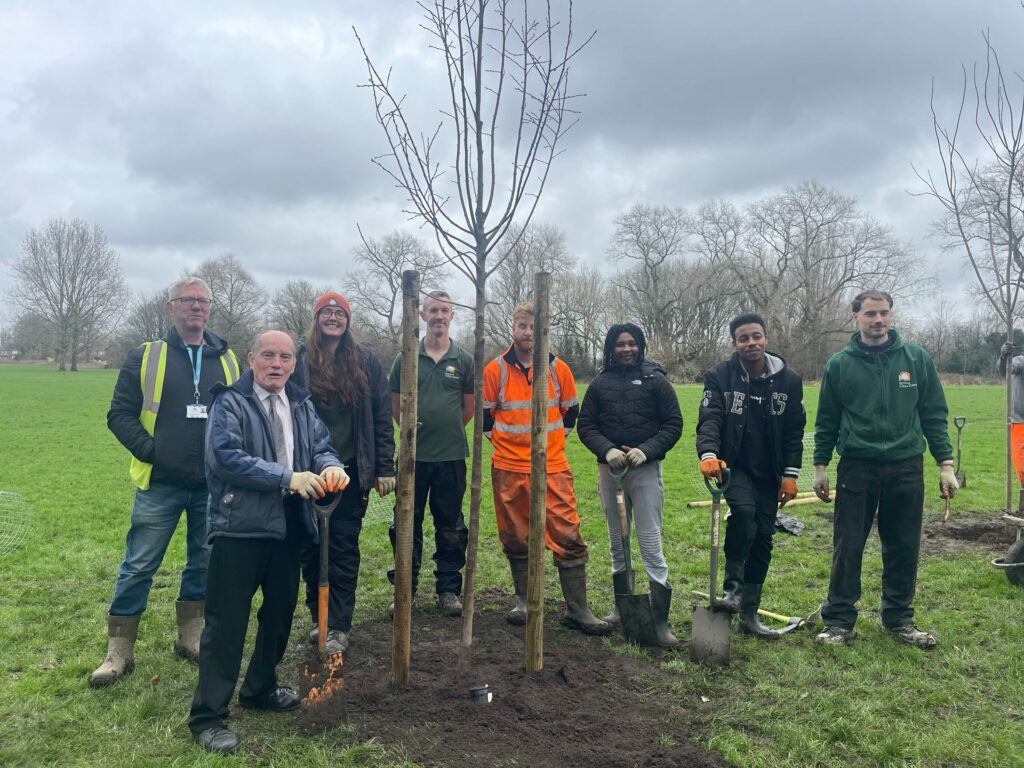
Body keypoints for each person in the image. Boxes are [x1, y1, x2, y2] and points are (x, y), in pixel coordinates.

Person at [187, 330, 346, 754]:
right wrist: (287, 478)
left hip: (289, 528)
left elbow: (322, 447)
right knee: (227, 624)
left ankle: (259, 687)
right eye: (268, 356)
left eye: (285, 357)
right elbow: (226, 457)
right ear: (251, 359)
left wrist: (331, 468)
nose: (277, 364)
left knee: (278, 615)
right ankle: (208, 715)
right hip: (240, 527)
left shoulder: (301, 404)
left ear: (294, 363)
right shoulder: (230, 402)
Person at [91, 277, 240, 687]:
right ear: (169, 306)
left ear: (210, 309)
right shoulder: (146, 356)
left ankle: (190, 636)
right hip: (160, 483)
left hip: (210, 485)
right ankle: (119, 650)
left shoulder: (227, 359)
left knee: (204, 560)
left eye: (202, 301)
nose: (196, 307)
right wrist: (153, 451)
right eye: (187, 300)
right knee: (139, 564)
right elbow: (118, 414)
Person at [812, 290, 958, 648]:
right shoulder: (839, 365)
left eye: (884, 313)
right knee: (848, 546)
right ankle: (839, 621)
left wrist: (946, 464)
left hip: (905, 467)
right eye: (871, 314)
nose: (878, 320)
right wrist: (820, 466)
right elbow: (827, 420)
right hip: (856, 468)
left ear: (891, 316)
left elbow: (934, 414)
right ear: (855, 317)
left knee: (904, 545)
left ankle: (898, 620)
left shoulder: (916, 359)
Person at [483, 301, 611, 635]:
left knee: (568, 532)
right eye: (523, 326)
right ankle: (525, 603)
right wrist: (511, 448)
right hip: (509, 468)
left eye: (536, 328)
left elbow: (570, 413)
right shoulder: (495, 370)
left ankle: (578, 610)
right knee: (516, 536)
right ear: (514, 328)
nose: (529, 334)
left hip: (552, 466)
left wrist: (549, 446)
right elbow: (486, 418)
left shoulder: (559, 370)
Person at [294, 292, 396, 654]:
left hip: (350, 471)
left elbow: (383, 416)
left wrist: (385, 467)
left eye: (340, 313)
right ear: (316, 318)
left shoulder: (365, 360)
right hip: (307, 472)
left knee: (341, 547)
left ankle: (338, 625)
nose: (333, 317)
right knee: (310, 547)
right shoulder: (301, 360)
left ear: (348, 320)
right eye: (327, 312)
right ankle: (318, 617)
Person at [696, 313, 806, 639]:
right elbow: (710, 418)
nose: (751, 343)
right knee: (744, 514)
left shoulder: (789, 380)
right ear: (735, 344)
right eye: (743, 338)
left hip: (770, 472)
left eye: (756, 336)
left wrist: (790, 475)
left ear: (765, 339)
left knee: (764, 537)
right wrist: (709, 455)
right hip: (735, 467)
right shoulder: (720, 376)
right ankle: (732, 590)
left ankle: (749, 614)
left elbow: (793, 431)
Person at [578, 323, 683, 647]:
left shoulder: (656, 380)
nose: (627, 349)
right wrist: (607, 450)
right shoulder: (600, 383)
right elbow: (586, 424)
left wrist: (645, 450)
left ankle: (659, 620)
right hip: (611, 472)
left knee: (650, 543)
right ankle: (622, 607)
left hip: (645, 471)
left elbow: (673, 424)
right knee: (616, 543)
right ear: (611, 348)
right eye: (620, 344)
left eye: (632, 343)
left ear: (640, 346)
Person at [387, 290, 473, 617]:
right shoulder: (405, 358)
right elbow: (395, 404)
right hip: (412, 458)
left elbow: (468, 407)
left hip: (451, 456)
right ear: (422, 316)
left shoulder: (463, 360)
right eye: (433, 310)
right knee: (406, 524)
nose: (439, 316)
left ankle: (448, 588)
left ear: (452, 316)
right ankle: (405, 589)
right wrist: (411, 430)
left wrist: (444, 427)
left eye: (445, 311)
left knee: (450, 523)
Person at [998, 341, 1024, 486]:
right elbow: (1005, 370)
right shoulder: (1021, 362)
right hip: (1020, 422)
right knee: (1022, 466)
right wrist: (1004, 356)